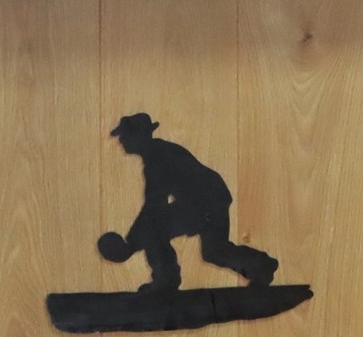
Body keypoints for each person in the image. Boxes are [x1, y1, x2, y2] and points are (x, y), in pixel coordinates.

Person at [99, 112, 278, 292]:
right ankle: (262, 266)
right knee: (214, 251)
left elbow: (154, 205)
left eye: (125, 135)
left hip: (203, 201)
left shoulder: (157, 158)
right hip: (212, 198)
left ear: (138, 136)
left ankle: (166, 280)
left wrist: (131, 244)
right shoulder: (159, 153)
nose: (121, 140)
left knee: (155, 230)